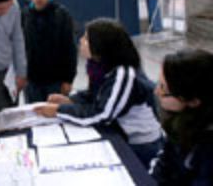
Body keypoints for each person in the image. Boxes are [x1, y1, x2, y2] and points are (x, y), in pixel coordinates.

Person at [34, 18, 162, 167]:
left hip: (140, 145)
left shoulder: (124, 74)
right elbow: (95, 94)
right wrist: (70, 100)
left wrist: (59, 110)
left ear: (101, 46)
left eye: (87, 39)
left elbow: (102, 114)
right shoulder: (98, 65)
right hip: (118, 132)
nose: (81, 40)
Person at [151, 49, 213, 185]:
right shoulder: (179, 120)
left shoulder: (207, 148)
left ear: (193, 101)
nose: (156, 91)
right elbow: (163, 164)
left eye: (163, 88)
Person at [22, 0, 77, 103]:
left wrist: (68, 80)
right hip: (32, 83)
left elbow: (70, 49)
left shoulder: (62, 15)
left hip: (56, 82)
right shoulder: (24, 16)